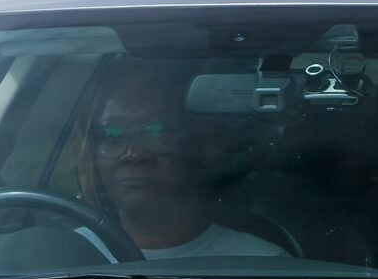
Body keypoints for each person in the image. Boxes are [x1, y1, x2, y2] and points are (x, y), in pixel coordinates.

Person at [82, 64, 287, 261]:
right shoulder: (66, 251)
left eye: (157, 132)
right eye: (112, 135)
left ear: (198, 147)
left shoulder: (260, 263)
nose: (134, 154)